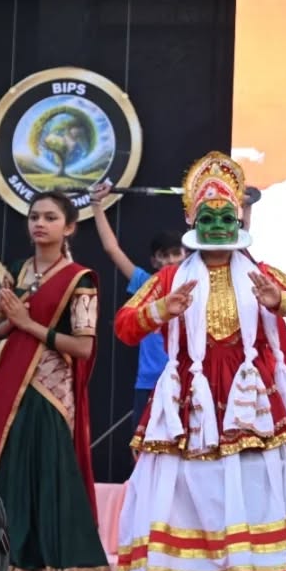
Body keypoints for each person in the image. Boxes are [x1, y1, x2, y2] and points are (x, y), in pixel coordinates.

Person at [98, 153, 286, 571]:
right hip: (188, 404)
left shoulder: (259, 272)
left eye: (226, 218)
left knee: (254, 487)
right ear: (192, 221)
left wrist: (281, 301)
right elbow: (124, 326)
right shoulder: (170, 278)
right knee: (184, 490)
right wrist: (162, 310)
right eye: (208, 218)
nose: (217, 226)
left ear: (239, 221)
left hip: (251, 404)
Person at [0, 192, 110, 571]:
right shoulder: (18, 271)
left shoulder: (80, 279)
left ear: (69, 227)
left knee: (51, 480)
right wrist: (6, 322)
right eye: (34, 216)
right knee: (11, 478)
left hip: (50, 393)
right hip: (11, 386)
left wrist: (26, 323)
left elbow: (84, 347)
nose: (40, 223)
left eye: (51, 217)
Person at [88, 182, 185, 429]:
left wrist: (245, 209)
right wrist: (96, 204)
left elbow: (234, 252)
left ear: (186, 255)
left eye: (176, 253)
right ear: (154, 261)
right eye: (164, 255)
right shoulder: (144, 282)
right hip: (149, 382)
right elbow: (112, 249)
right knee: (143, 448)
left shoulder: (197, 283)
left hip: (187, 379)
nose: (170, 260)